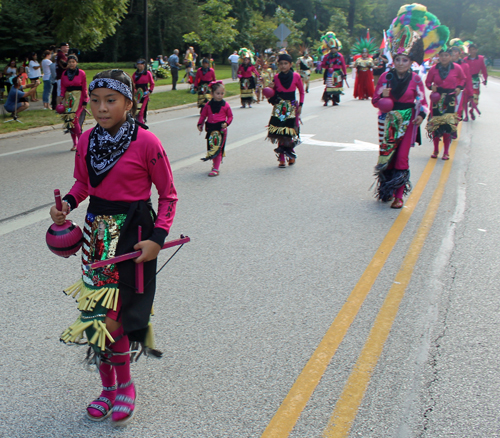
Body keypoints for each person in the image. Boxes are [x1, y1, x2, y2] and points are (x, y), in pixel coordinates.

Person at [50, 69, 177, 427]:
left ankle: (125, 387)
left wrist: (157, 238)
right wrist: (67, 206)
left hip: (134, 237)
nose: (101, 108)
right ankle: (107, 389)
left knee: (117, 320)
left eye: (110, 100)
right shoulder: (87, 140)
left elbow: (168, 195)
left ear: (128, 103)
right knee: (95, 319)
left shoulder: (147, 143)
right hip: (97, 237)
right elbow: (82, 184)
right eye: (94, 100)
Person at [373, 3, 447, 209]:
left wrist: (421, 116)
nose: (401, 63)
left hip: (407, 121)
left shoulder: (415, 80)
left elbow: (423, 102)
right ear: (393, 60)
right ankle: (386, 189)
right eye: (397, 59)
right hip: (387, 120)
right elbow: (374, 101)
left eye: (404, 59)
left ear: (410, 61)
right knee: (387, 155)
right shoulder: (385, 78)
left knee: (402, 157)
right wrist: (382, 97)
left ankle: (398, 195)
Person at [425, 49, 465, 160]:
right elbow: (427, 82)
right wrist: (431, 87)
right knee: (436, 124)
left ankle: (446, 152)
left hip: (450, 97)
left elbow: (463, 79)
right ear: (439, 57)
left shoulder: (457, 68)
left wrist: (459, 88)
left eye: (446, 55)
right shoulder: (434, 69)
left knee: (447, 125)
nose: (444, 57)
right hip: (437, 98)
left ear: (450, 56)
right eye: (442, 55)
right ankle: (435, 149)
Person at [266, 53, 305, 168]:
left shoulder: (296, 76)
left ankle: (291, 155)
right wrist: (271, 88)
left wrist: (301, 105)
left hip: (292, 106)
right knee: (279, 132)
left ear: (290, 64)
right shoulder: (277, 77)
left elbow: (302, 91)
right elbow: (273, 94)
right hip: (279, 107)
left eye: (285, 63)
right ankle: (282, 158)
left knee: (289, 133)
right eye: (281, 64)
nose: (283, 66)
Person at [197, 81, 233, 177]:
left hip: (221, 129)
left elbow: (230, 117)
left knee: (218, 148)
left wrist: (226, 123)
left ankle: (216, 168)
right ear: (212, 94)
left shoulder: (225, 105)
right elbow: (203, 115)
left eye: (222, 93)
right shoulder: (208, 105)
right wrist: (200, 124)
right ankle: (215, 164)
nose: (220, 95)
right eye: (217, 93)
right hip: (211, 129)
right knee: (212, 148)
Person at [60, 55, 89, 151]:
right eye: (69, 62)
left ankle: (81, 142)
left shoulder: (81, 73)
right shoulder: (64, 74)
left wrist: (85, 99)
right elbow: (63, 87)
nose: (71, 64)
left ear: (76, 63)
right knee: (69, 120)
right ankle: (75, 143)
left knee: (74, 118)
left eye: (73, 62)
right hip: (69, 99)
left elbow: (84, 87)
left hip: (79, 98)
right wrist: (61, 97)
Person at [449, 40, 473, 122]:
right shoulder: (444, 63)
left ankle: (453, 130)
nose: (453, 53)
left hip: (458, 91)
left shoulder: (464, 65)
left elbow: (468, 80)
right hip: (446, 90)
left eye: (455, 51)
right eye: (452, 51)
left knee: (456, 111)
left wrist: (470, 94)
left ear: (459, 54)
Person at [319, 32, 347, 106]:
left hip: (337, 72)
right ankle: (326, 100)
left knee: (336, 87)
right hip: (329, 73)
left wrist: (345, 74)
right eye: (332, 48)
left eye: (334, 48)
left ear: (337, 48)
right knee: (328, 87)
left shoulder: (340, 56)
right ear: (329, 49)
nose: (333, 50)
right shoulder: (326, 56)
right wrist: (328, 66)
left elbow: (343, 65)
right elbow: (322, 65)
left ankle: (335, 100)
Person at [464, 42, 488, 119]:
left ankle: (472, 110)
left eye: (473, 49)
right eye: (470, 50)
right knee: (465, 98)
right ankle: (466, 116)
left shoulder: (481, 58)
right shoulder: (465, 59)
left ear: (476, 50)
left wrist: (485, 79)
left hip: (475, 80)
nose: (472, 51)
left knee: (475, 97)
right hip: (467, 80)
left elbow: (484, 69)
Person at [132, 58, 155, 123]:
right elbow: (132, 83)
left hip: (145, 93)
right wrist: (135, 90)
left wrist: (149, 91)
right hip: (137, 94)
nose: (139, 66)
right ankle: (137, 119)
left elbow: (152, 83)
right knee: (136, 107)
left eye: (141, 64)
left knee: (143, 108)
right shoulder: (135, 74)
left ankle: (143, 119)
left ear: (144, 65)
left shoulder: (147, 73)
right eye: (138, 64)